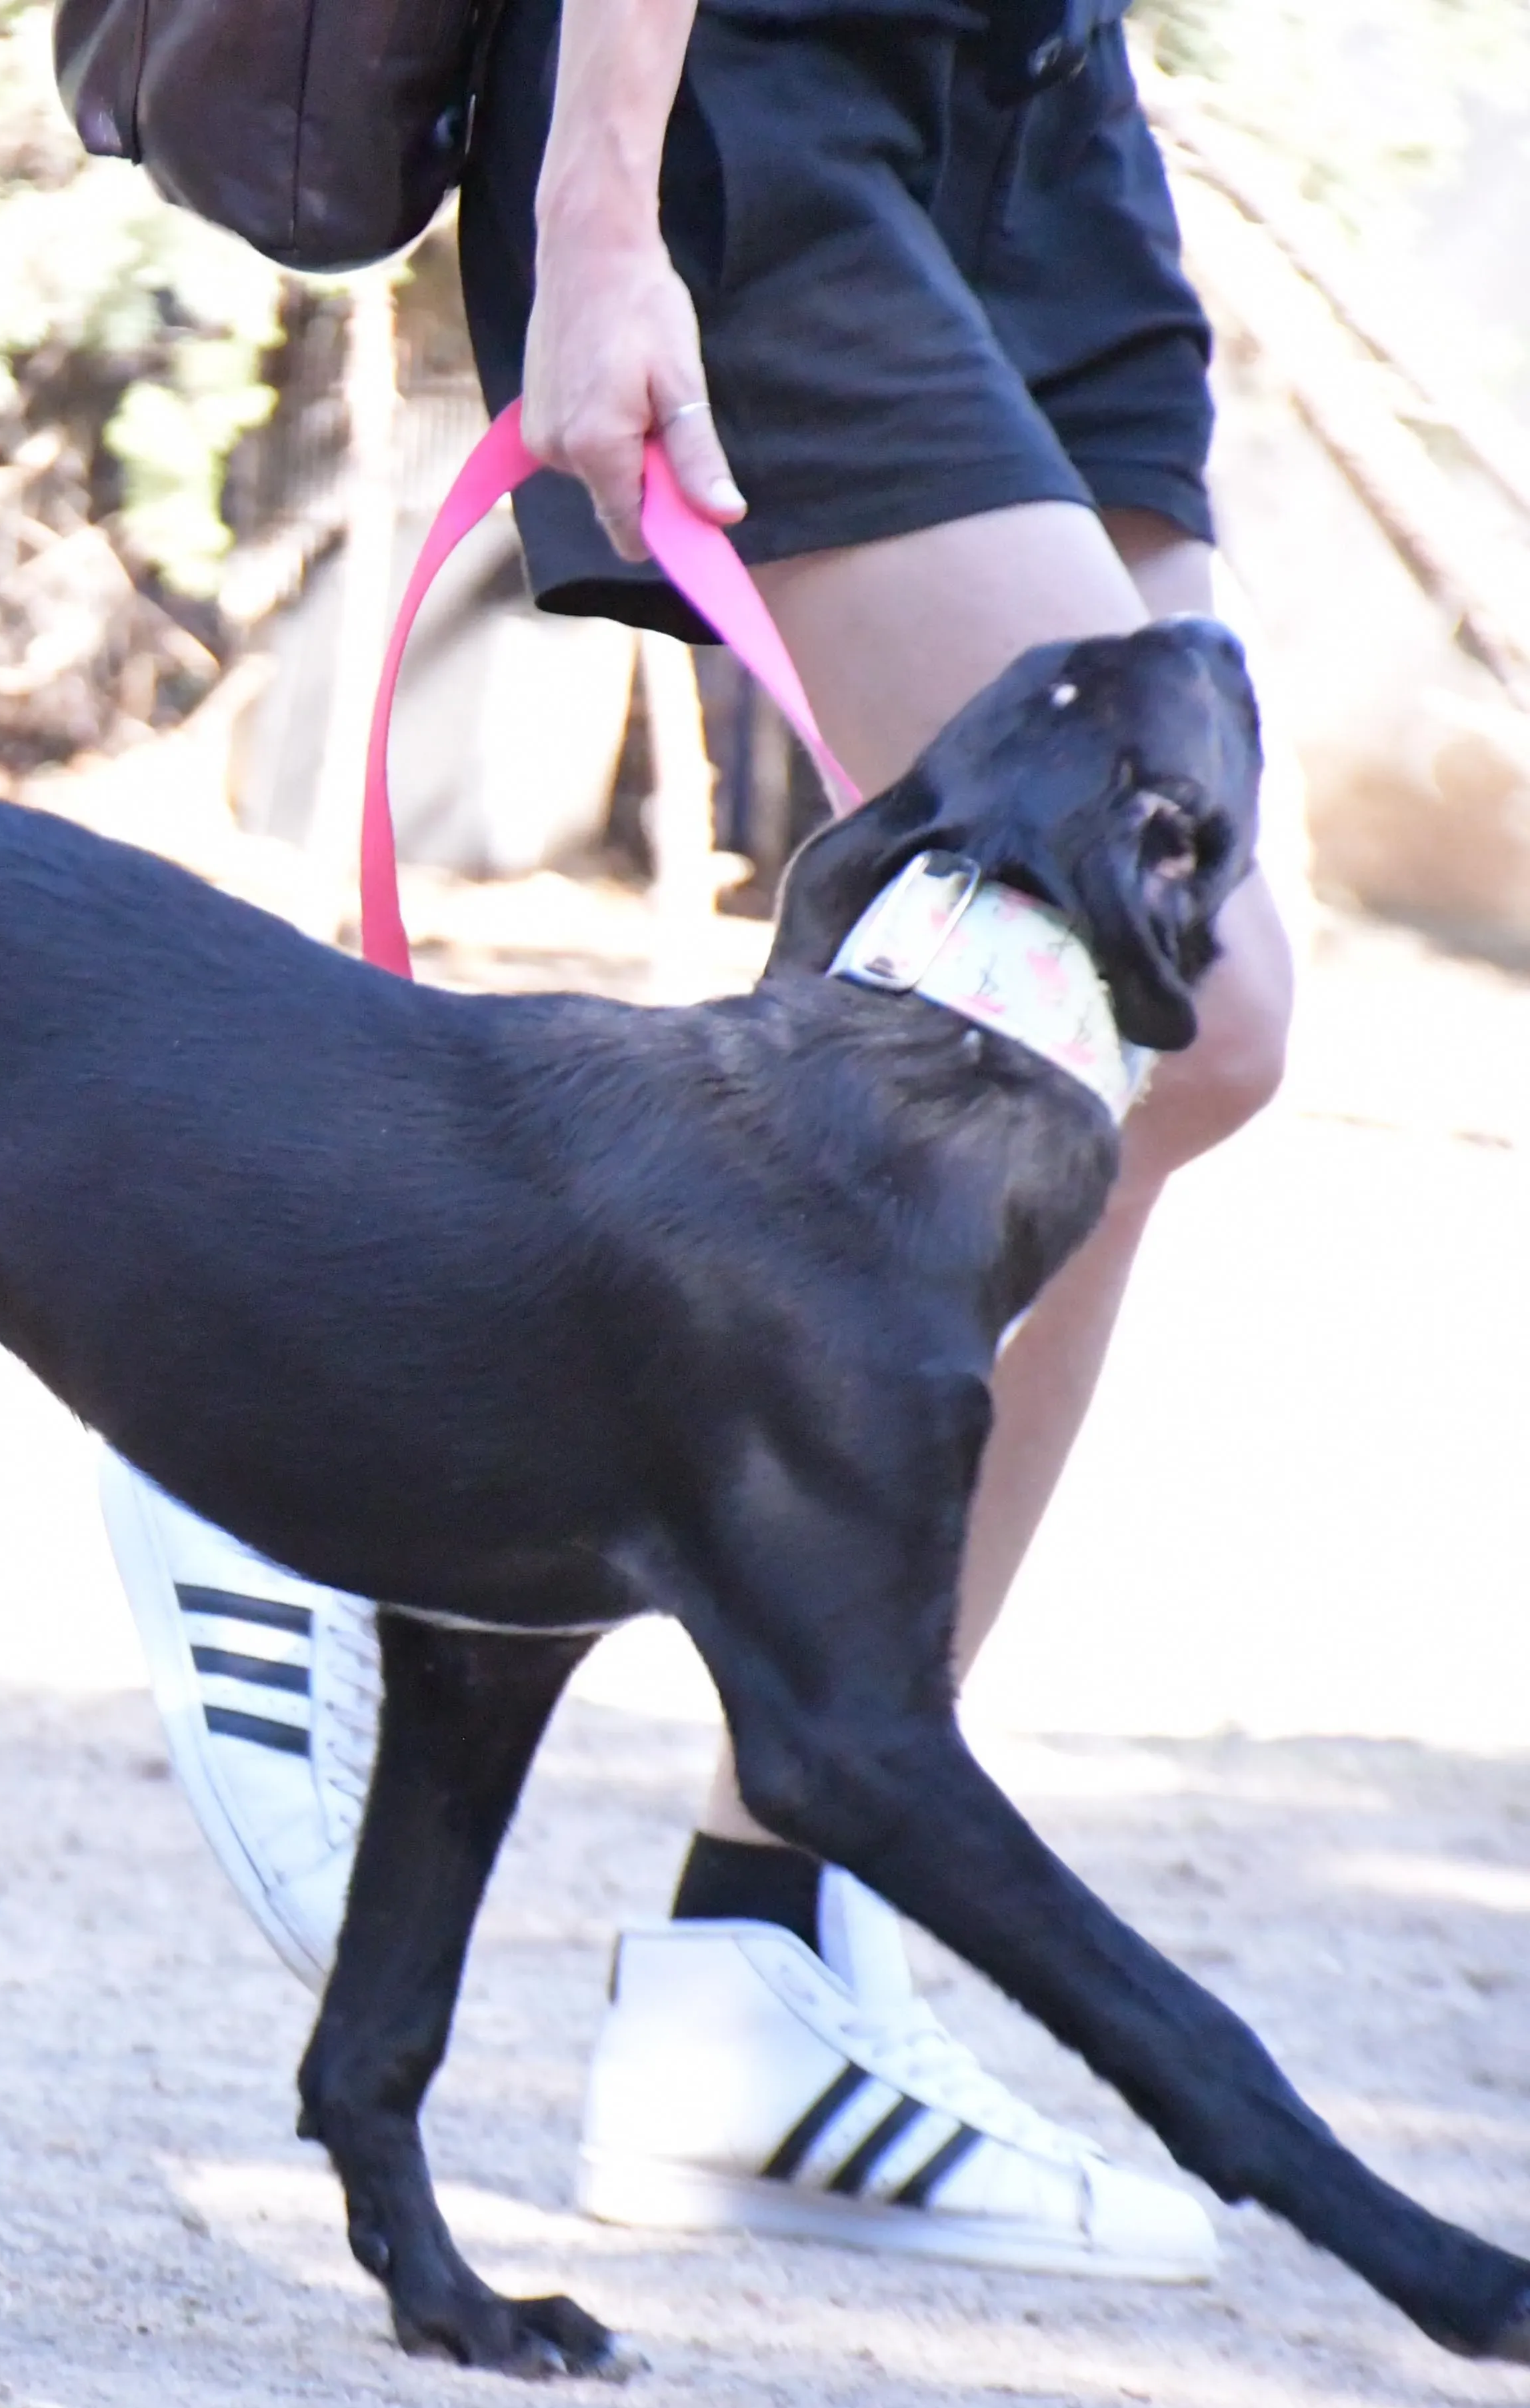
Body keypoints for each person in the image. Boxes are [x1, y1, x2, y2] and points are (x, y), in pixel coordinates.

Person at [103, 0, 1291, 2279]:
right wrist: (597, 203)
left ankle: (766, 1949)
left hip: (1044, 98)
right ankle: (275, 1393)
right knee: (1170, 982)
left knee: (1180, 1047)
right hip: (753, 86)